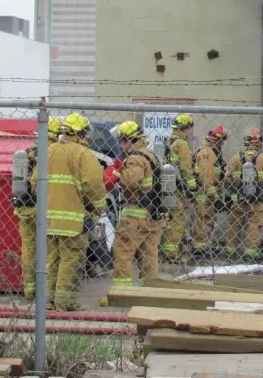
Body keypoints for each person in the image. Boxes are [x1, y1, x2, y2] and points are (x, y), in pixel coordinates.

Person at [33, 112, 106, 310]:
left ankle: (47, 301)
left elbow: (34, 182)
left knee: (53, 260)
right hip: (73, 220)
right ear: (80, 133)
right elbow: (93, 184)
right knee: (72, 260)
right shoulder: (83, 154)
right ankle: (65, 302)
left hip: (48, 219)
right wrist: (99, 207)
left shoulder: (48, 151)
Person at [110, 121, 164, 286]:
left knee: (123, 251)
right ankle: (150, 290)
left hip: (136, 216)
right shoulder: (152, 155)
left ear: (129, 140)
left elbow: (130, 182)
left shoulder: (135, 158)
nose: (121, 144)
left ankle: (122, 291)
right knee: (149, 255)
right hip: (154, 216)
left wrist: (115, 173)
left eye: (122, 141)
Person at [15, 116, 61, 302]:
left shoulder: (27, 153)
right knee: (51, 251)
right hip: (44, 209)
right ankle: (47, 291)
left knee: (29, 249)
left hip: (24, 209)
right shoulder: (52, 153)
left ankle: (30, 290)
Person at [225, 129, 263, 262]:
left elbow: (227, 180)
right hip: (258, 201)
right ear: (259, 143)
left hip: (238, 200)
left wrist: (228, 197)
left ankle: (230, 251)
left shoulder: (235, 158)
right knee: (255, 225)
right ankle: (251, 253)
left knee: (234, 224)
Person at [162, 114, 198, 263]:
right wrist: (192, 187)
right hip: (178, 188)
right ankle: (170, 253)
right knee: (179, 218)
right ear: (186, 127)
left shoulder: (169, 141)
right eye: (190, 128)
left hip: (167, 187)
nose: (191, 132)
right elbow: (185, 168)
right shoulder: (182, 144)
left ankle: (166, 250)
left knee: (169, 218)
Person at [191, 125, 228, 256]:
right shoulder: (207, 153)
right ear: (216, 140)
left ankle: (205, 244)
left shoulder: (212, 152)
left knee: (208, 221)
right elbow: (205, 176)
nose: (222, 144)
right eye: (222, 141)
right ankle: (200, 247)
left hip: (209, 196)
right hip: (205, 196)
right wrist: (214, 195)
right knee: (203, 220)